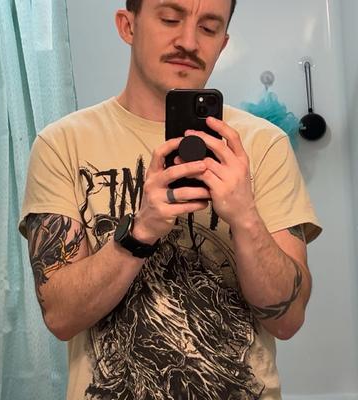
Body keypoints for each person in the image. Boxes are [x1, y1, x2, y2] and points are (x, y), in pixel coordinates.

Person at [19, 0, 322, 399]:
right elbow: (60, 317)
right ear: (128, 26)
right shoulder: (60, 145)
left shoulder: (264, 145)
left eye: (208, 28)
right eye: (169, 19)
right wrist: (140, 232)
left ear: (223, 43)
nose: (189, 42)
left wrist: (245, 217)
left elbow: (288, 320)